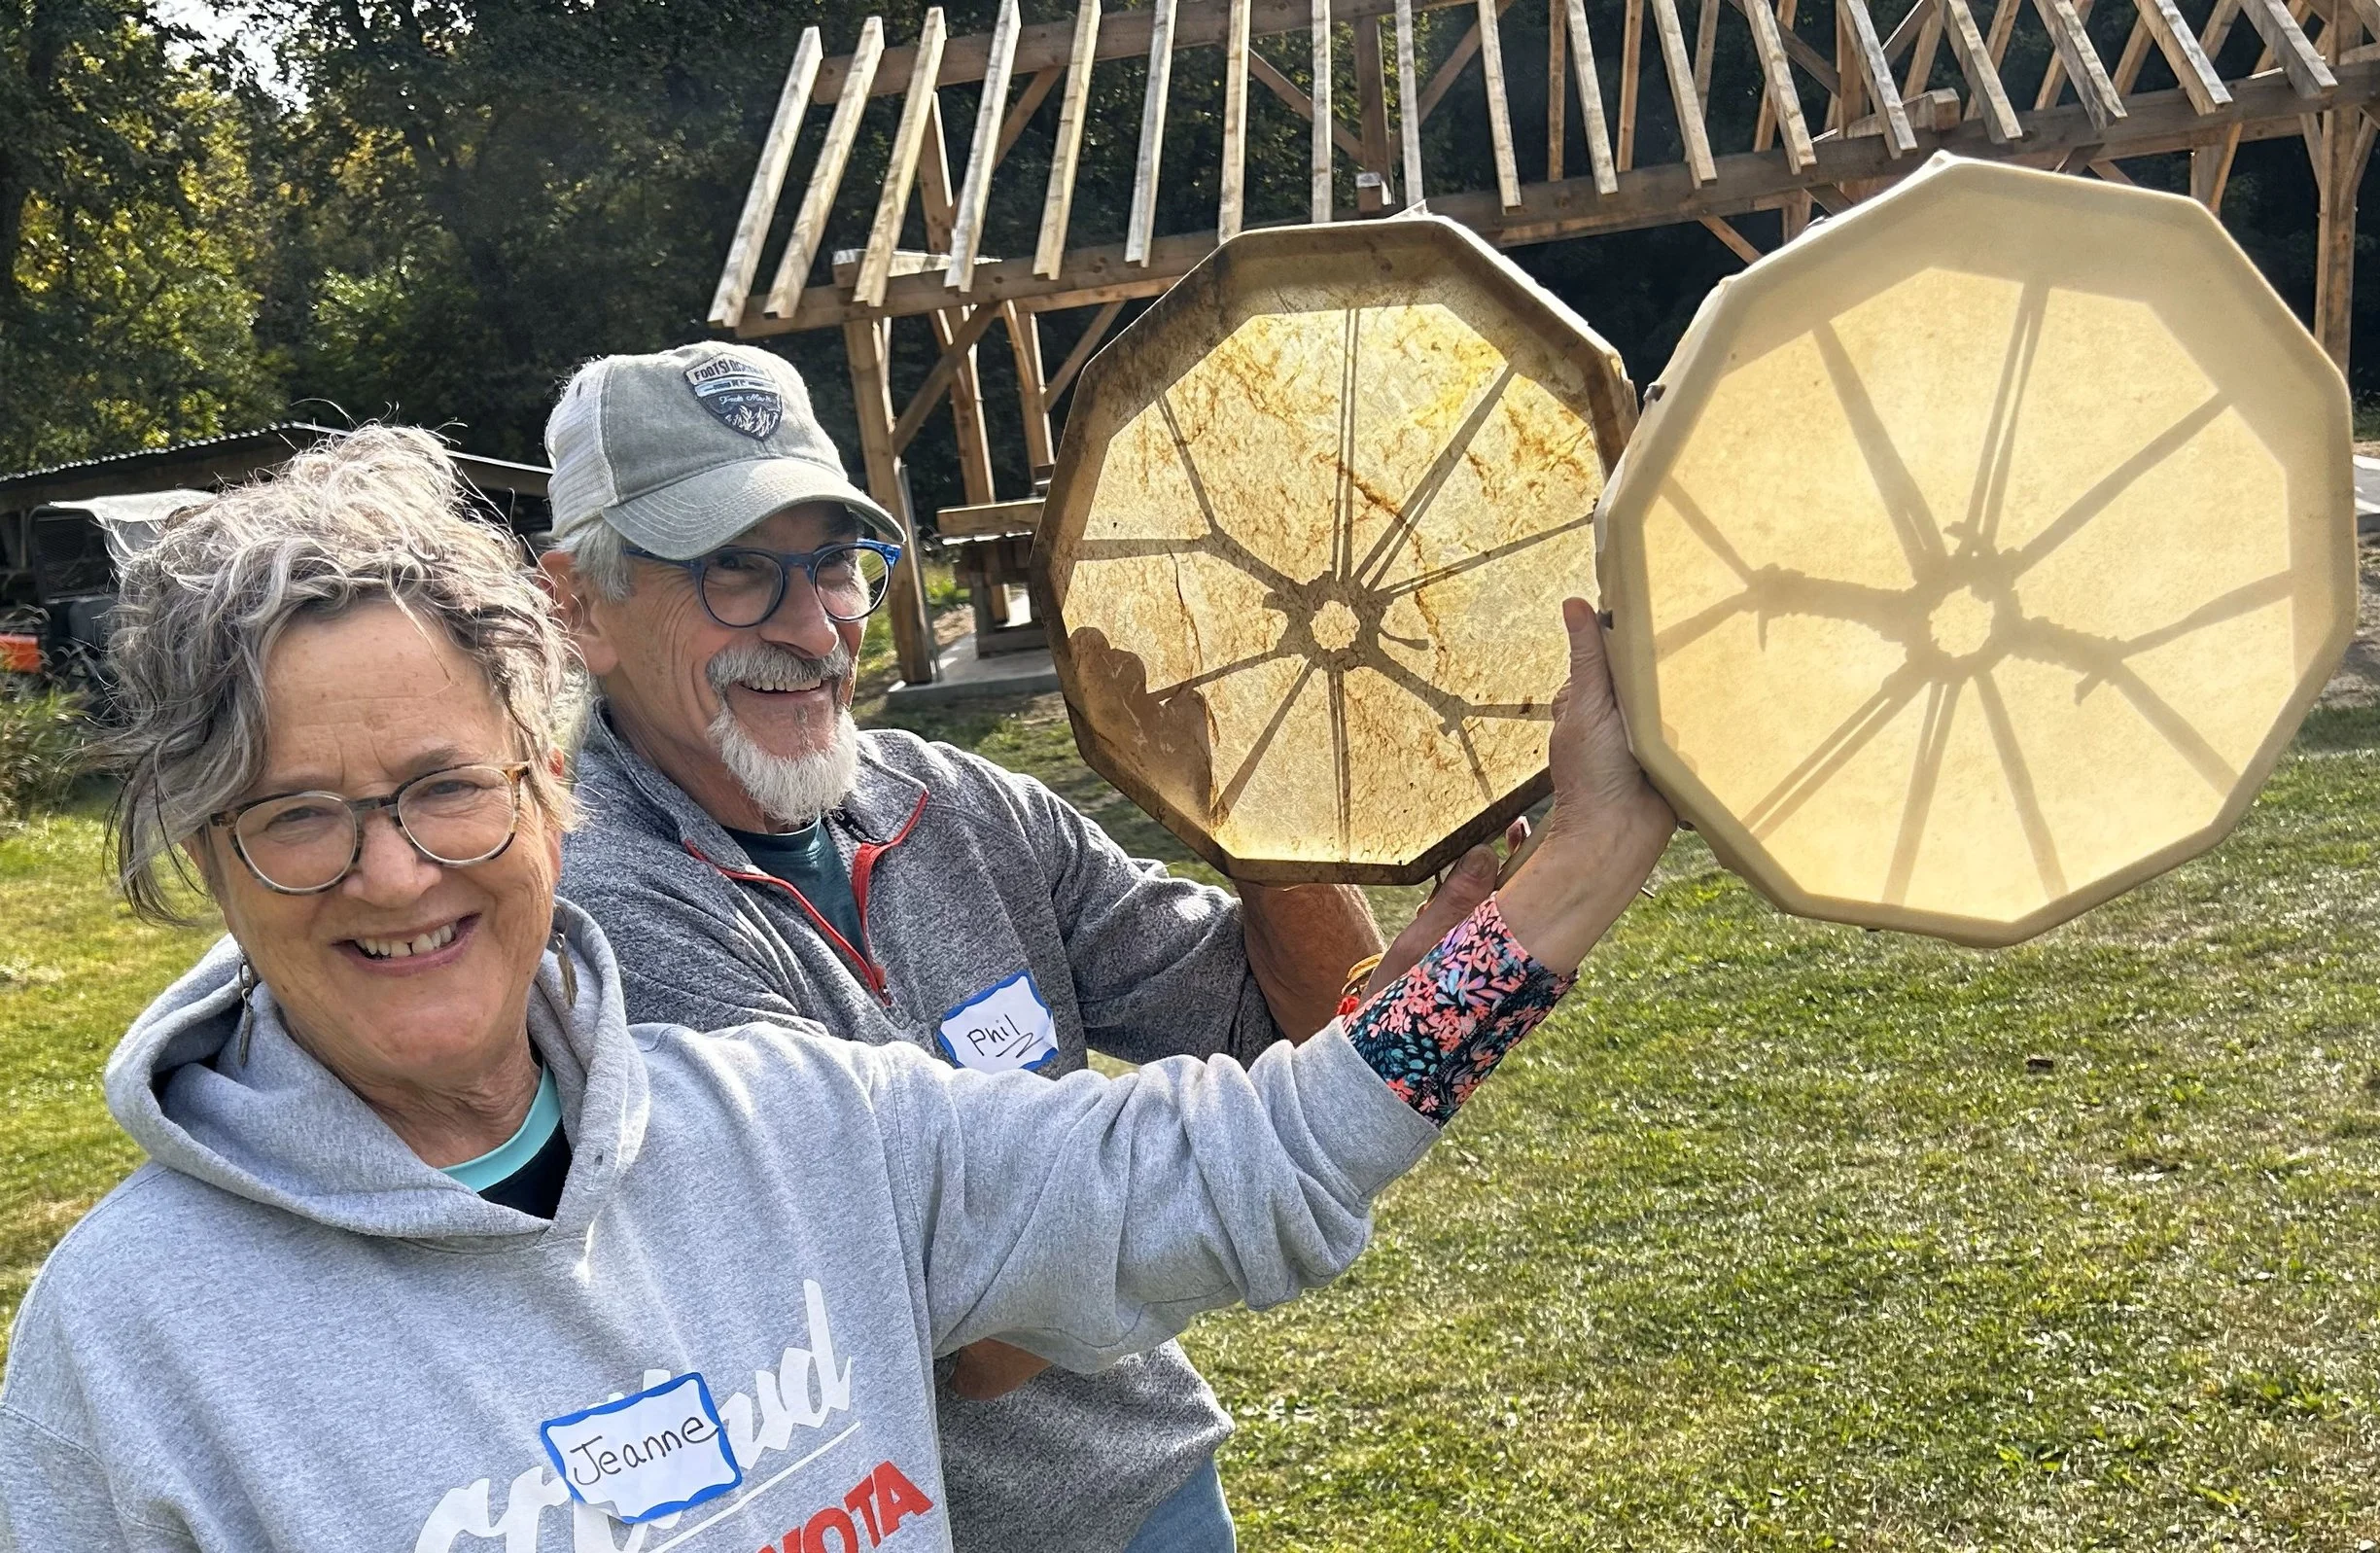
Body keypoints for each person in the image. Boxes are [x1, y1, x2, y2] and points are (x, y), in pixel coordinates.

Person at [0, 425, 1677, 1552]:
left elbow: (1254, 1147)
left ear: (542, 785)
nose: (391, 872)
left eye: (445, 787)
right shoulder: (136, 1339)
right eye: (299, 814)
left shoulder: (793, 1132)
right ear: (204, 857)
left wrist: (1566, 880)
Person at [536, 343, 1513, 1552]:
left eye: (837, 565)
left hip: (1154, 1491)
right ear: (574, 603)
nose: (815, 628)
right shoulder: (603, 916)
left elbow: (1299, 1036)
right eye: (738, 573)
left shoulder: (958, 805)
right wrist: (1256, 1159)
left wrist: (1254, 818)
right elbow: (969, 1339)